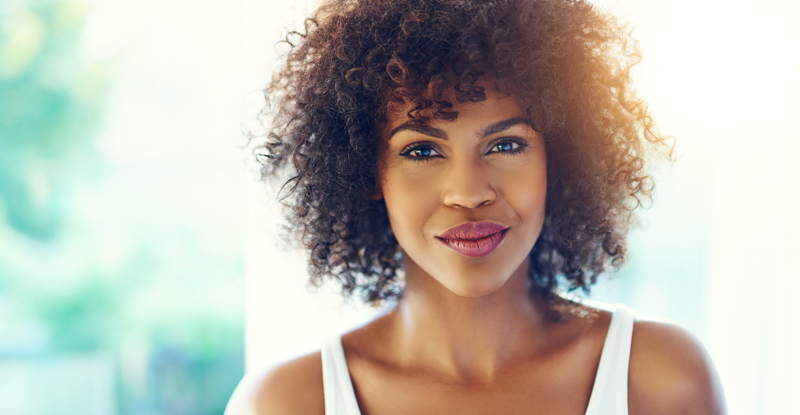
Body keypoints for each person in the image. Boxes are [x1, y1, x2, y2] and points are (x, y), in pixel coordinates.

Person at [226, 0, 726, 413]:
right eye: (421, 151)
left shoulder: (659, 379)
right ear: (366, 173)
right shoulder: (285, 403)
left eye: (507, 145)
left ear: (561, 158)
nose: (467, 193)